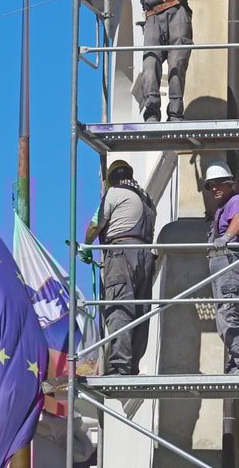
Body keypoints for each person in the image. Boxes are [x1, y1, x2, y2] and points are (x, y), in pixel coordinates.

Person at [80, 0, 193, 123]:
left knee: (177, 62)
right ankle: (151, 112)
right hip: (152, 16)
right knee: (150, 63)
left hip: (176, 11)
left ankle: (175, 113)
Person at [80, 160, 156, 375]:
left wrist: (86, 245)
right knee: (140, 312)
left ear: (112, 179)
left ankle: (119, 366)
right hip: (146, 255)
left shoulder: (114, 193)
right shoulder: (147, 199)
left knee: (119, 308)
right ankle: (131, 367)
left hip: (122, 254)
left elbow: (96, 224)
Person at [204, 161, 239, 374]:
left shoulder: (236, 201)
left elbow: (238, 219)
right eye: (211, 185)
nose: (215, 188)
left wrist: (227, 237)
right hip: (223, 267)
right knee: (227, 318)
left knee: (228, 316)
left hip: (230, 265)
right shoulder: (221, 208)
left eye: (220, 183)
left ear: (229, 183)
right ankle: (236, 363)